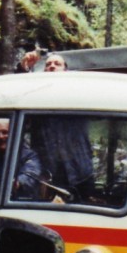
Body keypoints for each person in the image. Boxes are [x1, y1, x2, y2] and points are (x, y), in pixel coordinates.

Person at [17, 49, 94, 200]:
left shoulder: (80, 95)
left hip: (80, 173)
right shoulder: (37, 99)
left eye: (57, 64)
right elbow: (20, 94)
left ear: (66, 71)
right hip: (49, 175)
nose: (52, 66)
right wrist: (24, 69)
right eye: (48, 64)